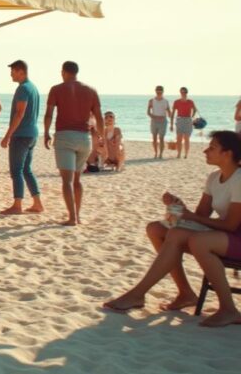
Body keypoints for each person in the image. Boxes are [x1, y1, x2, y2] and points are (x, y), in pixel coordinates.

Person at [103, 130, 241, 327]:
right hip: (225, 235)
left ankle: (228, 309)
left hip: (235, 235)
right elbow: (202, 217)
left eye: (212, 148)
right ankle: (184, 293)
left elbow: (231, 225)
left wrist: (189, 216)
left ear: (228, 154)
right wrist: (179, 206)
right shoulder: (214, 178)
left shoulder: (239, 179)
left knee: (197, 240)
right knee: (156, 229)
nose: (205, 150)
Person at [43, 61, 102, 226]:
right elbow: (99, 116)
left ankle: (72, 218)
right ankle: (78, 216)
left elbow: (49, 114)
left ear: (63, 72)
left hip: (65, 137)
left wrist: (46, 133)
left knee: (67, 181)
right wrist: (101, 136)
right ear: (77, 72)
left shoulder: (56, 89)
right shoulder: (91, 90)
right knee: (77, 179)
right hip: (84, 138)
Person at [0, 60, 44, 215]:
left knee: (16, 170)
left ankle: (17, 205)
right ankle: (37, 203)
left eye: (12, 71)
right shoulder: (33, 88)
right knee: (26, 170)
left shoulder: (23, 88)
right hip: (32, 133)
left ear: (21, 71)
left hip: (22, 135)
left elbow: (20, 113)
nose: (11, 74)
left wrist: (7, 136)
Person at [170, 87, 198, 159]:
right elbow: (173, 114)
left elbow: (195, 110)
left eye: (184, 92)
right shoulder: (176, 102)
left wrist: (192, 117)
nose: (183, 93)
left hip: (188, 120)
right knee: (179, 138)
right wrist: (171, 124)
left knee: (186, 138)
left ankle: (186, 154)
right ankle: (179, 153)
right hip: (179, 120)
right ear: (180, 93)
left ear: (186, 93)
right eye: (182, 92)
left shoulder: (190, 102)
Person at [148, 86, 171, 159]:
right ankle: (156, 153)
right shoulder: (151, 100)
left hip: (163, 121)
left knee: (161, 138)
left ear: (163, 91)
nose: (159, 91)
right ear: (155, 91)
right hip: (154, 121)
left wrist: (171, 120)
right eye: (157, 90)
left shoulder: (165, 101)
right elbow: (148, 112)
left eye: (160, 90)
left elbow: (169, 112)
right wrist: (154, 117)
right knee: (154, 138)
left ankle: (161, 154)